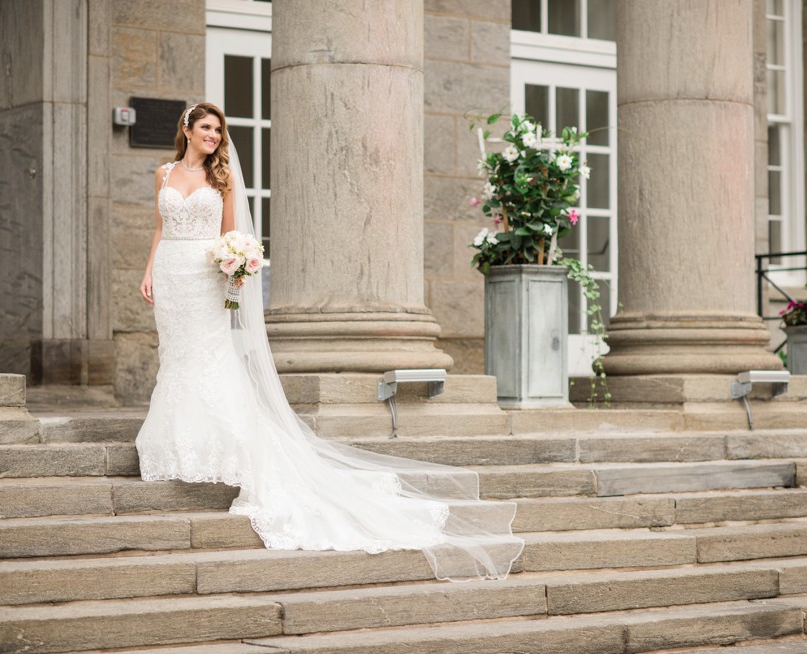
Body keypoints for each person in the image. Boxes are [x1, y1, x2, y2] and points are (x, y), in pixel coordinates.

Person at [136, 102, 523, 581]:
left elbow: (231, 233)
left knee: (209, 355)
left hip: (203, 277)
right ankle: (175, 442)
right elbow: (160, 227)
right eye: (206, 128)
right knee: (176, 356)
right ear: (187, 130)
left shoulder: (223, 180)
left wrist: (234, 269)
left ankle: (225, 443)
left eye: (219, 129)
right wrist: (150, 271)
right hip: (172, 275)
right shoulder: (164, 173)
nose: (214, 135)